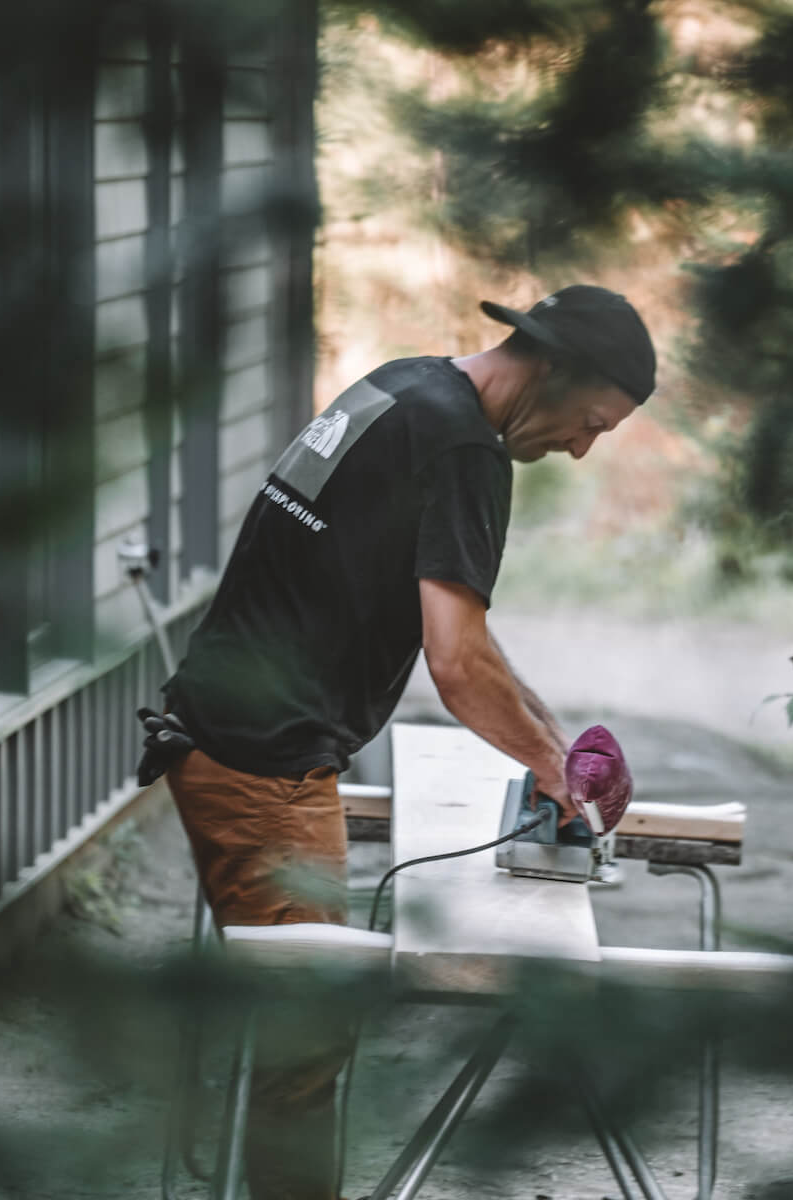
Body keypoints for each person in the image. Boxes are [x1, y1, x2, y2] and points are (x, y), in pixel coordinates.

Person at [153, 284, 654, 1199]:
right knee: (306, 1040)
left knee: (298, 1026)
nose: (581, 450)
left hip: (229, 733)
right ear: (552, 371)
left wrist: (550, 742)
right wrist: (551, 770)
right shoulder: (465, 449)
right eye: (590, 423)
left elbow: (459, 628)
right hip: (262, 762)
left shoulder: (404, 386)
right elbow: (456, 665)